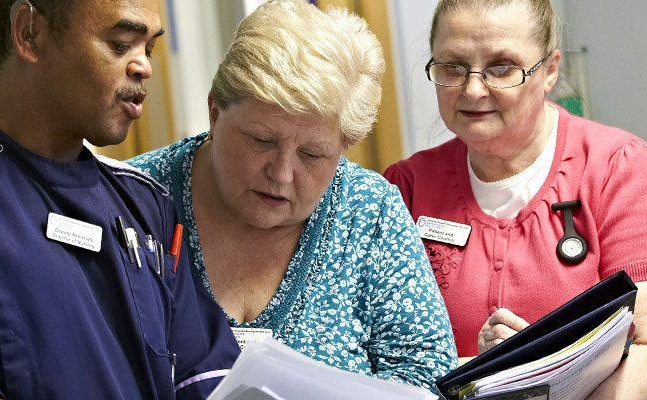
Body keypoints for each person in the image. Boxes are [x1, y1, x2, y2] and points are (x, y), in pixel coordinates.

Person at [0, 0, 238, 398]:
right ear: (29, 33)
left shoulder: (145, 205)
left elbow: (206, 377)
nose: (144, 67)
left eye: (149, 48)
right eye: (121, 44)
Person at [128, 0, 456, 390]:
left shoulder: (369, 211)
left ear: (343, 146)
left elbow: (426, 374)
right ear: (215, 113)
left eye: (312, 154)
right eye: (261, 140)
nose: (282, 174)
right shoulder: (135, 197)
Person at [382, 0, 647, 398]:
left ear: (548, 71)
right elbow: (390, 356)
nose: (473, 89)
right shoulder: (406, 188)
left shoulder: (616, 166)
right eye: (453, 67)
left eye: (502, 67)